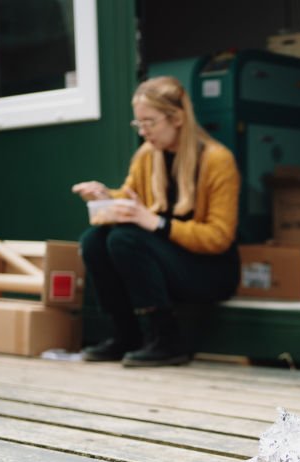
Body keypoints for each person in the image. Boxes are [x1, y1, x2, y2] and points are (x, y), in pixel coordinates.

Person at [72, 76, 240, 367]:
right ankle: (126, 334)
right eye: (139, 124)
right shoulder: (147, 156)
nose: (144, 131)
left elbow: (219, 236)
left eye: (150, 122)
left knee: (125, 239)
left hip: (210, 271)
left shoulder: (217, 160)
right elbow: (130, 197)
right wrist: (104, 196)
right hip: (166, 261)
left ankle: (167, 339)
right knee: (94, 240)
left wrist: (158, 224)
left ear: (176, 118)